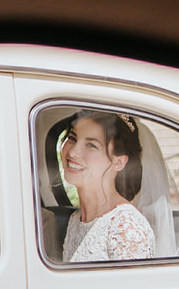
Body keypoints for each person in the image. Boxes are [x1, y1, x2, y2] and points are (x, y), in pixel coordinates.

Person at [59, 110, 156, 262]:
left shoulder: (126, 227)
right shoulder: (76, 220)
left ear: (119, 162)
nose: (73, 152)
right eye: (72, 138)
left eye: (91, 145)